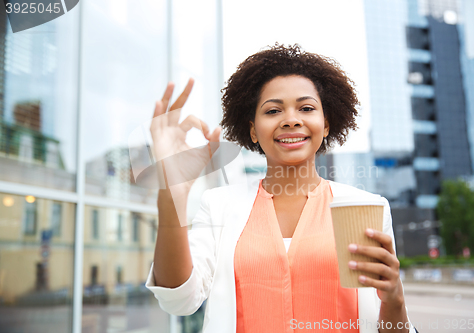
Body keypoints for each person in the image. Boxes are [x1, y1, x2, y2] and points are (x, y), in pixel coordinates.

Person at [145, 44, 417, 333]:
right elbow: (178, 300)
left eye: (307, 108)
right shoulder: (219, 205)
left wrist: (394, 299)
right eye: (273, 110)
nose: (291, 119)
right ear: (252, 130)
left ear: (326, 124)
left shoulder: (367, 207)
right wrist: (171, 194)